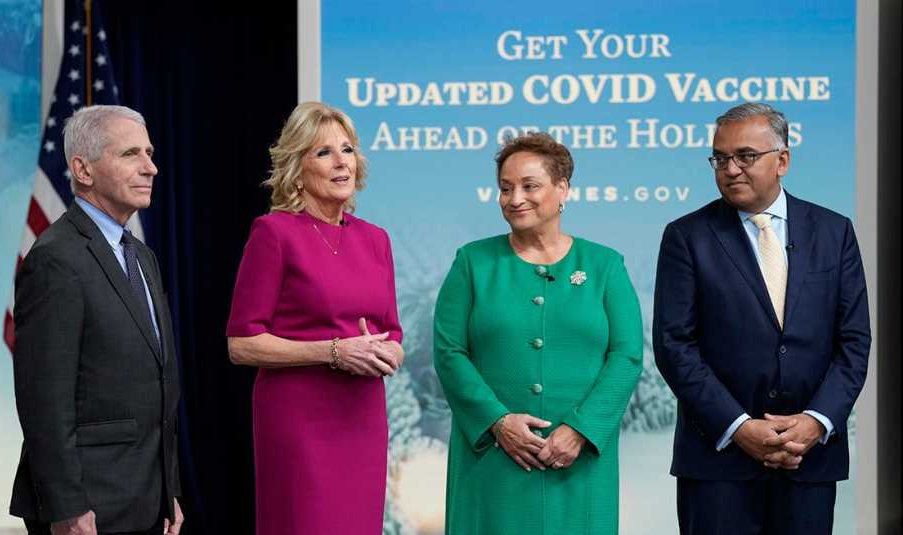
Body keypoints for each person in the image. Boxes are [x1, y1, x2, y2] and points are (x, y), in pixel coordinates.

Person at [653, 102, 870, 534]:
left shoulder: (834, 231)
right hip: (718, 463)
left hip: (809, 459)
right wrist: (739, 427)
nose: (730, 169)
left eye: (746, 156)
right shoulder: (686, 236)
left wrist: (817, 421)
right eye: (720, 158)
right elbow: (674, 346)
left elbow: (854, 342)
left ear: (783, 160)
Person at [433, 132, 643, 534]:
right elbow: (450, 353)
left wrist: (582, 429)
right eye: (505, 188)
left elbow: (627, 355)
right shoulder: (472, 263)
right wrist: (497, 422)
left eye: (530, 186)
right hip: (492, 459)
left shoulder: (604, 266)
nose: (515, 199)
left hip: (578, 462)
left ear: (562, 189)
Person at [226, 101, 404, 535]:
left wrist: (389, 353)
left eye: (347, 149)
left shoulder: (375, 239)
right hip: (300, 420)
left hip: (362, 417)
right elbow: (242, 343)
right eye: (323, 152)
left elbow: (393, 331)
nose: (341, 161)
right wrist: (334, 352)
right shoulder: (274, 233)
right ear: (297, 166)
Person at [11, 105, 182, 535]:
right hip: (86, 507)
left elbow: (156, 384)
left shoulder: (141, 256)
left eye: (150, 152)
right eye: (131, 155)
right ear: (83, 169)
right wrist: (66, 508)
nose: (151, 167)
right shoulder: (55, 259)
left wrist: (169, 491)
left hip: (146, 500)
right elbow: (44, 400)